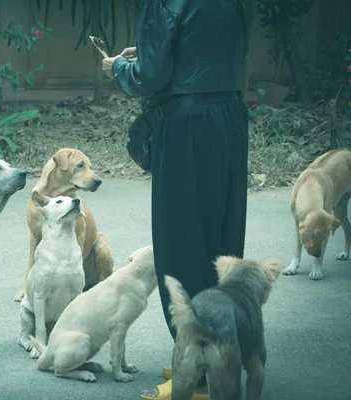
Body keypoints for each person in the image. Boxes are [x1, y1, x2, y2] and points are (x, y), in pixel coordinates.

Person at [102, 0, 249, 399]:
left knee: (181, 242)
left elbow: (150, 77)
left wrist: (117, 69)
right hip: (230, 118)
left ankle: (196, 372)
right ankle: (214, 356)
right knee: (221, 239)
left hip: (186, 128)